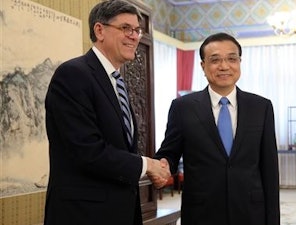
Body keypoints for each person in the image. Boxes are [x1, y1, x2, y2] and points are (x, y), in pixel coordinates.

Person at [43, 1, 170, 225]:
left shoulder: (116, 81)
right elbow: (87, 151)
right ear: (99, 30)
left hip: (120, 212)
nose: (134, 36)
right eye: (126, 28)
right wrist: (146, 165)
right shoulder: (73, 75)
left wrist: (149, 165)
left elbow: (121, 146)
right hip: (83, 215)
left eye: (137, 30)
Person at [154, 32, 280, 225]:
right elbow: (169, 152)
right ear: (203, 66)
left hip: (251, 212)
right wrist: (162, 164)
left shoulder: (261, 107)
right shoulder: (183, 107)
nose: (224, 66)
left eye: (232, 59)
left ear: (239, 62)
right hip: (201, 212)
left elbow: (270, 169)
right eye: (215, 60)